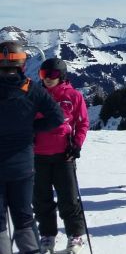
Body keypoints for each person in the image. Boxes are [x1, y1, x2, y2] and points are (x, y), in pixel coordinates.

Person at [0, 41, 64, 254]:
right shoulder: (32, 89)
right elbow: (57, 117)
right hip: (23, 165)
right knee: (24, 217)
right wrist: (32, 127)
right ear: (23, 64)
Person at [33, 57, 90, 254]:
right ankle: (47, 235)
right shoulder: (35, 95)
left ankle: (75, 236)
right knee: (41, 199)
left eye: (53, 75)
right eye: (43, 74)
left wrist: (76, 144)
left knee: (69, 198)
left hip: (64, 155)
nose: (48, 78)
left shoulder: (73, 96)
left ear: (62, 75)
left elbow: (82, 123)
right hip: (37, 154)